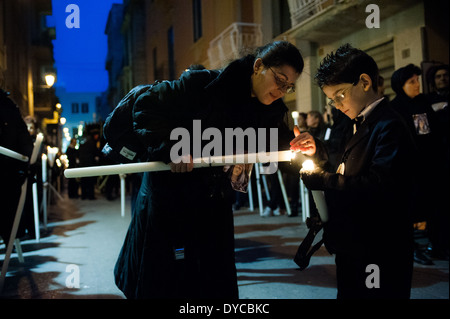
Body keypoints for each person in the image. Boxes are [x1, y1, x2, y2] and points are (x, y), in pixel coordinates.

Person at [113, 41, 315, 298]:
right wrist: (173, 148)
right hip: (171, 202)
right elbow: (145, 107)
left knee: (212, 283)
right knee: (169, 281)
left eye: (288, 85)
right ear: (258, 66)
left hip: (214, 206)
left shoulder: (272, 113)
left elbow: (283, 149)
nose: (282, 90)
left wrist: (308, 145)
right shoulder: (201, 85)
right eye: (280, 79)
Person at [292, 44, 417, 299]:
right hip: (352, 243)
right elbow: (346, 164)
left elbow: (378, 184)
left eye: (340, 95)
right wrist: (317, 150)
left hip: (378, 247)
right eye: (331, 100)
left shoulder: (389, 125)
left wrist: (323, 180)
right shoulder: (355, 123)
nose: (336, 105)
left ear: (364, 82)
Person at [391, 64, 449, 261]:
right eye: (412, 82)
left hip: (431, 164)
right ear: (401, 85)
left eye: (417, 80)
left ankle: (439, 245)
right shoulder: (396, 107)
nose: (417, 85)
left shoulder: (423, 102)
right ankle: (412, 248)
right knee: (410, 209)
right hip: (410, 167)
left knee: (436, 206)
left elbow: (434, 131)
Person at [0, 88, 34, 247]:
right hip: (9, 170)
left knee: (8, 214)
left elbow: (23, 139)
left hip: (8, 171)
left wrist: (25, 164)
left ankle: (11, 239)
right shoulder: (8, 105)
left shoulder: (8, 105)